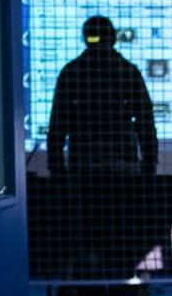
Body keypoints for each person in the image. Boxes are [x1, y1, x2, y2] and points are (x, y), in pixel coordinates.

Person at [47, 14, 158, 178]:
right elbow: (145, 120)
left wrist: (55, 164)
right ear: (113, 38)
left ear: (85, 39)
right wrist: (150, 164)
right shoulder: (128, 71)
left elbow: (59, 122)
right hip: (122, 160)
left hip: (83, 161)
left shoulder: (71, 72)